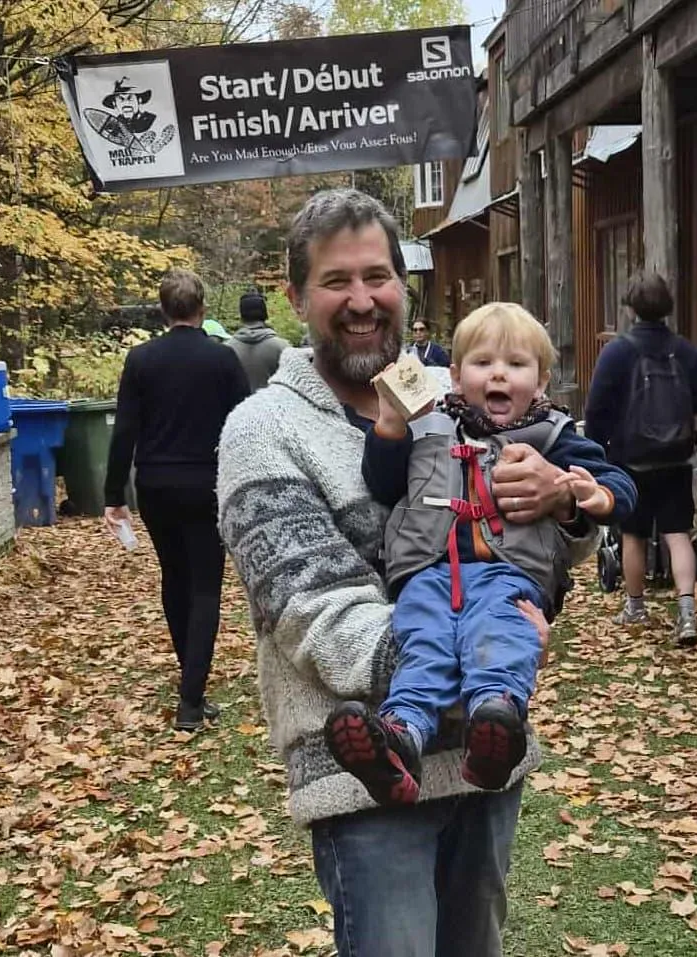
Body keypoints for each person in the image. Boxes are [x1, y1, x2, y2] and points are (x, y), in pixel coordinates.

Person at [217, 189, 600, 957]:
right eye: (335, 281)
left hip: (488, 755)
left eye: (377, 276)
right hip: (366, 777)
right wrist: (479, 653)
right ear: (296, 297)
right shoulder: (263, 431)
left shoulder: (460, 398)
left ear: (403, 284)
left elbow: (548, 542)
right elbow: (311, 609)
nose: (361, 301)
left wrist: (563, 503)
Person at [325, 302, 635, 807]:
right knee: (423, 645)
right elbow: (383, 484)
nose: (498, 374)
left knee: (500, 636)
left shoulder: (553, 437)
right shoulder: (426, 426)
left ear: (540, 382)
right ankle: (399, 739)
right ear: (454, 374)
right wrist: (387, 427)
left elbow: (617, 483)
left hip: (506, 575)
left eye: (515, 365)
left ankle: (495, 723)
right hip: (428, 573)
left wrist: (585, 493)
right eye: (483, 362)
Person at [104, 269, 251, 731]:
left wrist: (114, 495)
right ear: (202, 309)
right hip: (208, 482)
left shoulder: (141, 360)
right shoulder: (222, 360)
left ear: (164, 310)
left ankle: (191, 679)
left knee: (174, 576)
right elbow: (243, 424)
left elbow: (125, 428)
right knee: (206, 586)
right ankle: (191, 697)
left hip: (157, 485)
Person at [585, 271, 697, 643]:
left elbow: (596, 409)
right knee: (678, 534)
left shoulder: (618, 351)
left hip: (631, 459)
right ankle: (687, 612)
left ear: (630, 308)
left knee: (634, 535)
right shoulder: (685, 350)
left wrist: (598, 455)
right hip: (676, 458)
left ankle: (635, 606)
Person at [226, 289, 289, 390]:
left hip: (239, 405)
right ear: (265, 315)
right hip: (274, 404)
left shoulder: (227, 349)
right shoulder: (282, 347)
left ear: (241, 316)